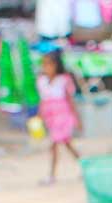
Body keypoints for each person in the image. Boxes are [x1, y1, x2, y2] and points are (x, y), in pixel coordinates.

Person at [37, 49, 80, 183]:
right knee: (67, 144)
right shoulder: (42, 81)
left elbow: (70, 100)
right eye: (44, 64)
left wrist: (77, 118)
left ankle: (52, 175)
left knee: (55, 144)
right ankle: (84, 166)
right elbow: (43, 100)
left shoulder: (63, 80)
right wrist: (39, 116)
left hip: (63, 116)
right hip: (51, 118)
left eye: (49, 64)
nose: (46, 67)